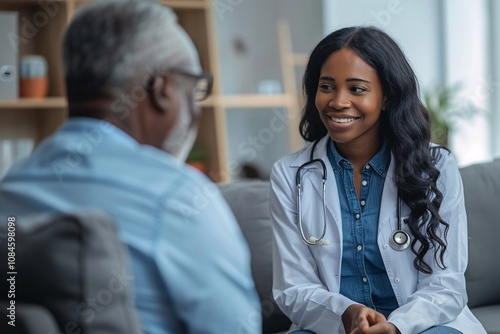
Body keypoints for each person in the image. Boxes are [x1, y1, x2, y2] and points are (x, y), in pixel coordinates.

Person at [0, 0, 261, 333]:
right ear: (163, 89)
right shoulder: (179, 197)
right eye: (193, 88)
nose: (195, 106)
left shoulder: (12, 184)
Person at [269, 26, 486, 334]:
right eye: (327, 86)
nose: (338, 102)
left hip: (423, 325)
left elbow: (446, 283)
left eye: (357, 89)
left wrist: (397, 326)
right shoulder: (289, 174)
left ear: (387, 97)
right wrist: (347, 312)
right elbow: (293, 287)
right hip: (335, 327)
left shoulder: (436, 167)